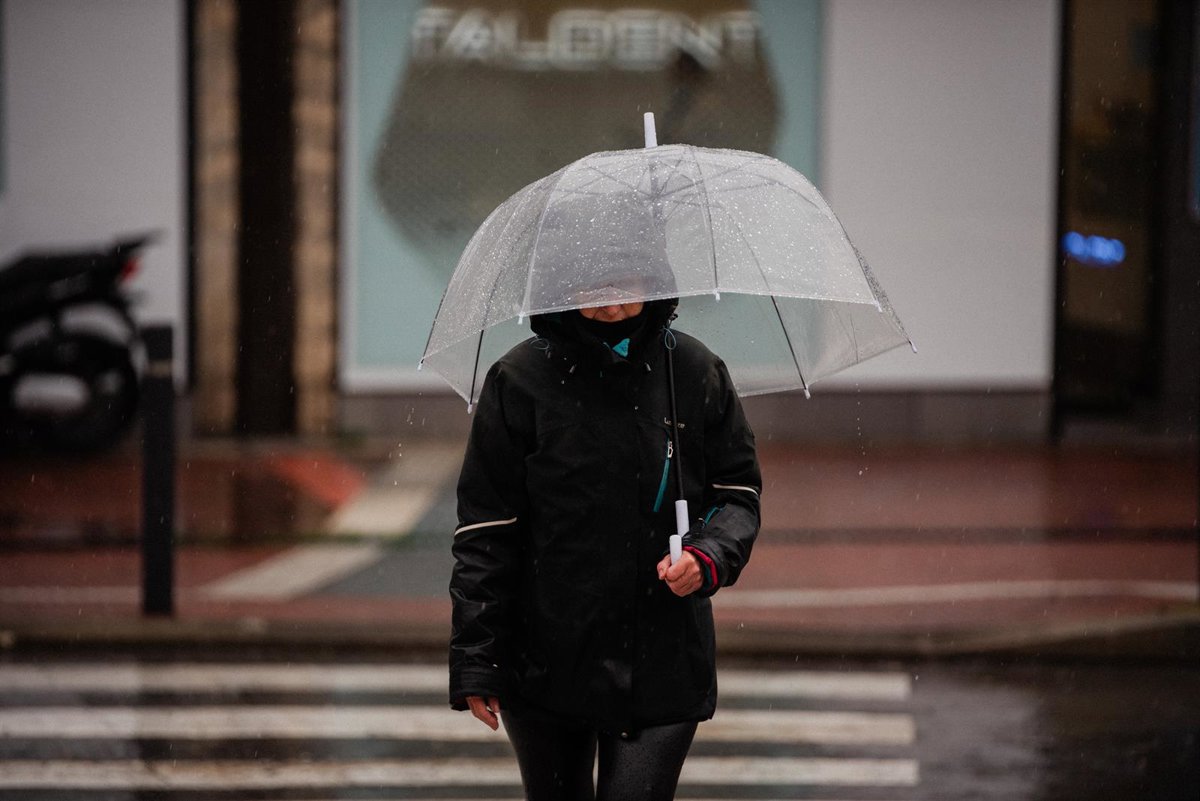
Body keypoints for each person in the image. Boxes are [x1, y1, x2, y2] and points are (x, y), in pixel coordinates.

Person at [448, 290, 761, 801]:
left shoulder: (692, 370)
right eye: (591, 289)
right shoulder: (520, 379)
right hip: (545, 661)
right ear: (560, 284)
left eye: (624, 287)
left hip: (663, 658)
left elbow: (738, 494)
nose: (610, 306)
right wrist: (477, 661)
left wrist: (708, 556)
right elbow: (486, 532)